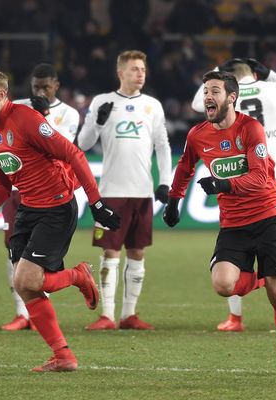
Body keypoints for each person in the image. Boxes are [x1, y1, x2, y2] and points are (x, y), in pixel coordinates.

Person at [0, 64, 120, 372]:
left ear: (1, 94)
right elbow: (2, 185)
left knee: (27, 279)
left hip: (57, 208)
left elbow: (74, 155)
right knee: (26, 286)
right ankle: (63, 356)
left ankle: (79, 275)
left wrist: (96, 203)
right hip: (28, 210)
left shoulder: (27, 120)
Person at [163, 71, 276, 377]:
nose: (207, 97)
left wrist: (224, 185)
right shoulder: (197, 134)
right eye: (205, 91)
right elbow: (185, 167)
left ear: (231, 97)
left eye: (214, 91)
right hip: (234, 223)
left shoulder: (251, 129)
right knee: (224, 285)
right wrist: (174, 201)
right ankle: (265, 276)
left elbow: (260, 177)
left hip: (270, 215)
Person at [191, 58, 276, 332]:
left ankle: (236, 317)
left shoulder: (223, 97)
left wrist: (216, 71)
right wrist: (271, 74)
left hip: (237, 178)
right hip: (275, 179)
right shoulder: (271, 89)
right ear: (255, 73)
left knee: (233, 252)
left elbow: (198, 103)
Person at [77, 50, 171, 331]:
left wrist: (165, 181)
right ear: (120, 73)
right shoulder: (102, 102)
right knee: (110, 252)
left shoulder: (153, 105)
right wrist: (98, 121)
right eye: (134, 69)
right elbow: (82, 143)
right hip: (111, 191)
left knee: (137, 252)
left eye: (142, 69)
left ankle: (128, 314)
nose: (140, 73)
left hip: (141, 192)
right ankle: (107, 315)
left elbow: (162, 146)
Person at [1, 63, 80, 331]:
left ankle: (37, 309)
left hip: (48, 194)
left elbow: (60, 150)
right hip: (16, 190)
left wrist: (42, 115)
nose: (41, 91)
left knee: (36, 257)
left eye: (46, 86)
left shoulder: (69, 114)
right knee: (12, 248)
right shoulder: (16, 106)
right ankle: (21, 313)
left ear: (56, 85)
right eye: (37, 87)